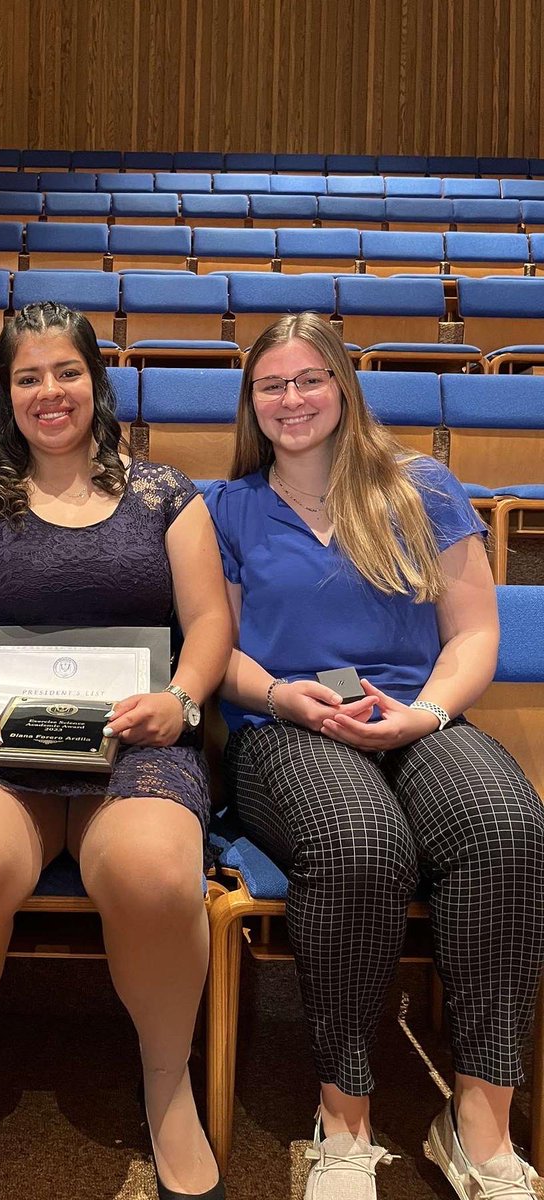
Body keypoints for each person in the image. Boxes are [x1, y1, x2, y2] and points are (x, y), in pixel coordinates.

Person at [0, 301, 232, 1200]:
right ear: (6, 394)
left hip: (139, 745)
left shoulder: (167, 496)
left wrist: (182, 698)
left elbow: (211, 622)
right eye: (26, 376)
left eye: (65, 371)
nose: (49, 392)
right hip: (6, 747)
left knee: (152, 873)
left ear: (96, 382)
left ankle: (168, 1082)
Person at [204, 312, 544, 1200]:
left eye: (309, 379)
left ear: (343, 388)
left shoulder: (420, 486)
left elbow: (473, 632)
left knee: (506, 825)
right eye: (271, 384)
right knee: (360, 841)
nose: (291, 399)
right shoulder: (227, 506)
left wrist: (425, 713)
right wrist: (280, 695)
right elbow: (215, 649)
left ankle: (479, 1125)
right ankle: (344, 1118)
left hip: (414, 716)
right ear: (251, 402)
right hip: (284, 726)